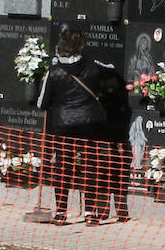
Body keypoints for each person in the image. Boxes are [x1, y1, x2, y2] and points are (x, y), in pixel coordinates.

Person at [37, 28, 106, 225]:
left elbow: (42, 103)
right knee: (90, 167)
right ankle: (91, 213)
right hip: (89, 124)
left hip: (63, 126)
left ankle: (60, 213)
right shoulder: (93, 68)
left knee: (63, 168)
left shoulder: (54, 72)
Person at [97, 63, 131, 223]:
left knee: (106, 177)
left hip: (109, 143)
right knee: (118, 180)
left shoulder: (103, 99)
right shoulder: (122, 99)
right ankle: (120, 212)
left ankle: (104, 212)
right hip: (119, 142)